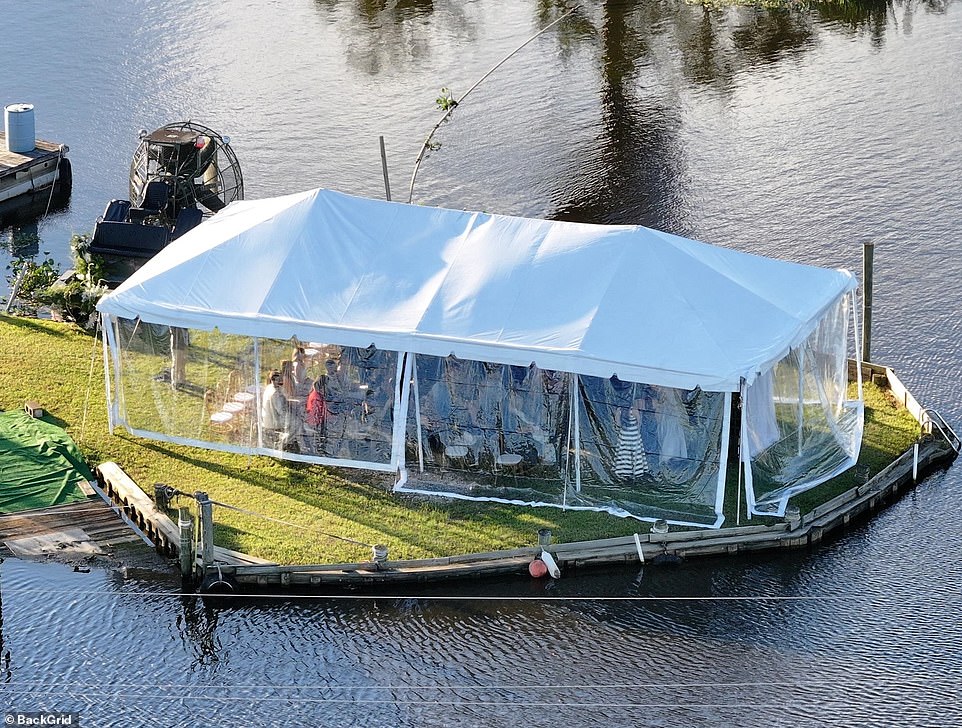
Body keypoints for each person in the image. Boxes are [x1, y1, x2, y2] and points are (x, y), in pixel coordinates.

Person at [261, 369, 302, 451]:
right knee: (297, 423)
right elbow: (282, 412)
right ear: (273, 380)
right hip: (274, 421)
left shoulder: (269, 387)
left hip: (267, 418)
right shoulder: (275, 393)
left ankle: (289, 442)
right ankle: (283, 444)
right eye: (279, 380)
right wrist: (293, 414)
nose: (281, 382)